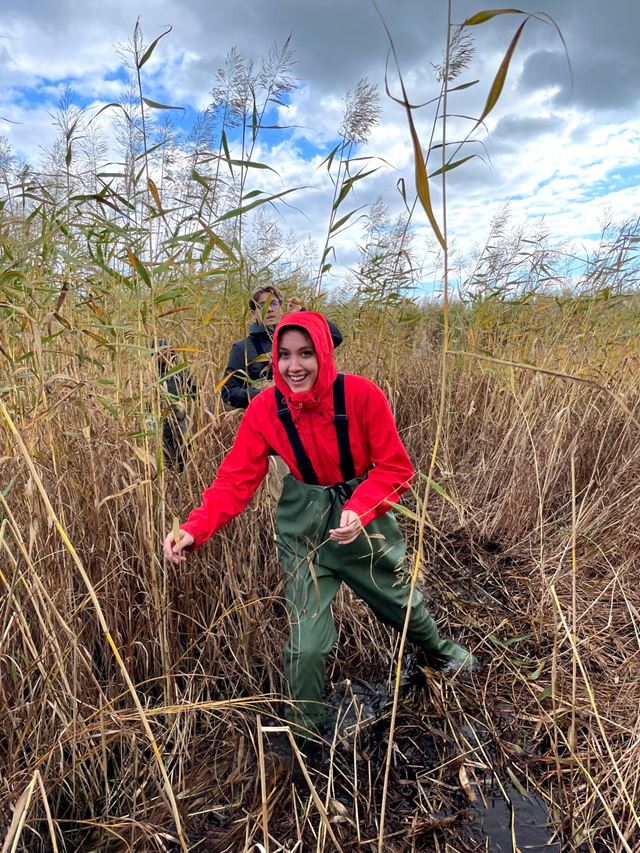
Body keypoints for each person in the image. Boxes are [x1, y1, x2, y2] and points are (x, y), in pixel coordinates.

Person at [164, 312, 477, 740]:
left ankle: (440, 652)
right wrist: (194, 529)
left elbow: (396, 469)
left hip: (365, 524)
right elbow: (234, 481)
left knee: (403, 608)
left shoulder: (362, 396)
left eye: (306, 354)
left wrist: (360, 507)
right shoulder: (263, 409)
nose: (295, 367)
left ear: (324, 353)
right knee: (305, 642)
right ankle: (306, 732)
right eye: (285, 355)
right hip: (304, 530)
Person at [220, 285, 343, 410]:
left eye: (273, 304)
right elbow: (228, 391)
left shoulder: (298, 338)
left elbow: (335, 337)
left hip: (305, 412)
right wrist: (264, 394)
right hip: (267, 417)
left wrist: (302, 312)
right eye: (262, 306)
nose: (269, 310)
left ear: (280, 308)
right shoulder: (243, 348)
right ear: (254, 314)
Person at [153, 339, 197, 472]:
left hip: (180, 416)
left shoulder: (180, 370)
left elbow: (193, 392)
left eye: (165, 351)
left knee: (182, 447)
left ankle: (182, 472)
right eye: (159, 352)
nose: (163, 355)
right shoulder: (151, 372)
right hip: (161, 418)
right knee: (164, 449)